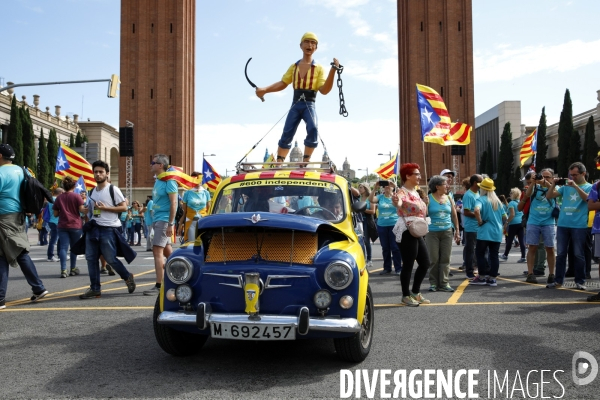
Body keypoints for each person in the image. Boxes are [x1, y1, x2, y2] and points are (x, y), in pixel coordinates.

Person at [255, 32, 341, 164]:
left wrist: (333, 71)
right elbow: (283, 83)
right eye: (307, 42)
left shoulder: (318, 68)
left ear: (316, 48)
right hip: (296, 104)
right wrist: (265, 89)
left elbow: (324, 90)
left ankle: (305, 161)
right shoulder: (294, 67)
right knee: (287, 131)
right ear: (301, 45)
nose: (310, 45)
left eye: (313, 43)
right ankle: (280, 161)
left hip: (309, 103)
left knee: (313, 128)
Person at [0, 144, 48, 309]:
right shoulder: (21, 170)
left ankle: (0, 298)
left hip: (4, 217)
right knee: (19, 251)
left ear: (0, 156)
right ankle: (38, 287)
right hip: (19, 216)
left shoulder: (0, 173)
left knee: (4, 255)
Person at [79, 160, 136, 299]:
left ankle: (127, 277)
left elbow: (123, 207)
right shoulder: (91, 191)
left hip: (109, 228)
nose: (98, 174)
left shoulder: (113, 189)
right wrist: (83, 210)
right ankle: (95, 288)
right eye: (96, 172)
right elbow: (91, 212)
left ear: (107, 174)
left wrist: (105, 208)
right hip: (94, 228)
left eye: (101, 172)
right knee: (91, 259)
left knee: (110, 259)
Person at [546, 162, 592, 290]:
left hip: (579, 225)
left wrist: (576, 186)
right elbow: (549, 196)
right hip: (563, 224)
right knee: (560, 254)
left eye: (575, 175)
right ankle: (558, 281)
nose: (572, 177)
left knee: (578, 254)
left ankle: (580, 281)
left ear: (583, 173)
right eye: (570, 175)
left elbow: (588, 200)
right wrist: (553, 184)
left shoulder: (589, 186)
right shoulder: (565, 187)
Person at [391, 163, 430, 307]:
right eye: (416, 174)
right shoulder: (402, 192)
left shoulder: (416, 191)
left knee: (425, 263)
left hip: (418, 229)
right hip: (407, 230)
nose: (420, 176)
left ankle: (415, 292)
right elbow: (399, 202)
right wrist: (397, 202)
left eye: (419, 174)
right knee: (408, 264)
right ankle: (405, 295)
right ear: (407, 176)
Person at [145, 154, 178, 296]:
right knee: (167, 252)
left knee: (156, 251)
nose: (150, 165)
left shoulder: (169, 180)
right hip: (157, 219)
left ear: (160, 165)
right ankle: (179, 274)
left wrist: (170, 223)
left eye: (153, 163)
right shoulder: (158, 180)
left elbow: (174, 203)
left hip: (164, 220)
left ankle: (159, 285)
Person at [470, 178, 507, 286]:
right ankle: (492, 278)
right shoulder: (498, 202)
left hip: (485, 231)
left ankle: (481, 277)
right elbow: (505, 216)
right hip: (497, 231)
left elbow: (476, 210)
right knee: (494, 255)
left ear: (483, 189)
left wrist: (480, 221)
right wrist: (503, 225)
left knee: (480, 254)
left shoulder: (481, 199)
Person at [426, 175, 460, 292]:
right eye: (445, 184)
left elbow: (454, 215)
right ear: (437, 186)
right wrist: (424, 204)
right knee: (434, 259)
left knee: (445, 258)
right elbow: (423, 215)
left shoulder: (449, 198)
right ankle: (434, 283)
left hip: (447, 231)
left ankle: (444, 283)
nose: (447, 186)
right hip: (432, 232)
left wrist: (457, 230)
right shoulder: (428, 198)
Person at [523, 168, 557, 284]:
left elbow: (553, 192)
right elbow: (527, 195)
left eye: (548, 177)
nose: (544, 178)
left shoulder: (554, 187)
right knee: (532, 247)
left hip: (548, 222)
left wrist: (544, 182)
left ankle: (552, 274)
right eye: (543, 176)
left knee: (550, 248)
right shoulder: (535, 187)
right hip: (534, 221)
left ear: (552, 178)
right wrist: (533, 182)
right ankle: (530, 273)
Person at [52, 176, 85, 278]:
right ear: (74, 186)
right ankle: (73, 268)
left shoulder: (59, 198)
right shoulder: (77, 197)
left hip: (62, 225)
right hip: (75, 225)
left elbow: (55, 214)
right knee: (74, 248)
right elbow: (82, 210)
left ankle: (63, 269)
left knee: (63, 247)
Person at [369, 179, 402, 276]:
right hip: (382, 225)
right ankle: (387, 268)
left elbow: (403, 199)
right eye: (385, 185)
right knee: (385, 248)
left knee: (395, 247)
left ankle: (398, 268)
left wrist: (395, 186)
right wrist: (375, 188)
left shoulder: (396, 196)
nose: (387, 187)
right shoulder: (380, 197)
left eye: (389, 185)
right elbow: (371, 199)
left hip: (394, 224)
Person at [178, 172, 211, 242]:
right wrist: (180, 225)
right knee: (192, 244)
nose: (198, 181)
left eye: (199, 178)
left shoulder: (206, 193)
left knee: (204, 243)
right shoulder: (187, 193)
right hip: (190, 222)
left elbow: (209, 209)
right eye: (196, 179)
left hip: (203, 222)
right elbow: (184, 212)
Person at [462, 174, 483, 279]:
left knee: (479, 249)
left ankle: (479, 268)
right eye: (480, 182)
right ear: (475, 183)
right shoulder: (468, 195)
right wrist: (478, 215)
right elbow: (466, 212)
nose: (482, 184)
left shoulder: (478, 193)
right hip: (471, 227)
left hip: (478, 226)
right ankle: (469, 271)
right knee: (470, 250)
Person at [500, 188, 526, 263]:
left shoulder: (511, 203)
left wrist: (507, 222)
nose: (510, 194)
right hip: (521, 222)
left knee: (509, 240)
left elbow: (512, 214)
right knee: (521, 240)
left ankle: (505, 255)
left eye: (511, 193)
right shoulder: (520, 202)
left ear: (513, 194)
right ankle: (523, 256)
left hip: (513, 223)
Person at [358, 183, 377, 268]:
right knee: (359, 240)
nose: (359, 189)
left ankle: (369, 259)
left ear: (365, 188)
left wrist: (363, 209)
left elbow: (373, 211)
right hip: (358, 220)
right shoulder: (358, 197)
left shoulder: (370, 198)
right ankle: (362, 259)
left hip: (367, 221)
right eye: (359, 187)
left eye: (361, 187)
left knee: (366, 241)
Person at [46, 187, 64, 262]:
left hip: (53, 221)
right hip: (55, 221)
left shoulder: (51, 199)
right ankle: (50, 256)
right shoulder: (56, 199)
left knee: (58, 239)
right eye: (63, 193)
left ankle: (60, 254)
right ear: (60, 193)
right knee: (54, 240)